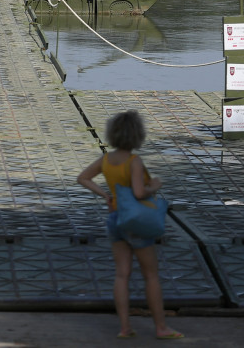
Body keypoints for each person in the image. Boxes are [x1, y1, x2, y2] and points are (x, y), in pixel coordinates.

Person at [77, 111, 183, 340]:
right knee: (151, 276)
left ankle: (125, 327)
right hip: (135, 221)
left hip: (115, 219)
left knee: (121, 275)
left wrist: (105, 194)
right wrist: (154, 186)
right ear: (137, 136)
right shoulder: (134, 162)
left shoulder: (106, 160)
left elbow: (83, 177)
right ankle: (161, 327)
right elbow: (138, 192)